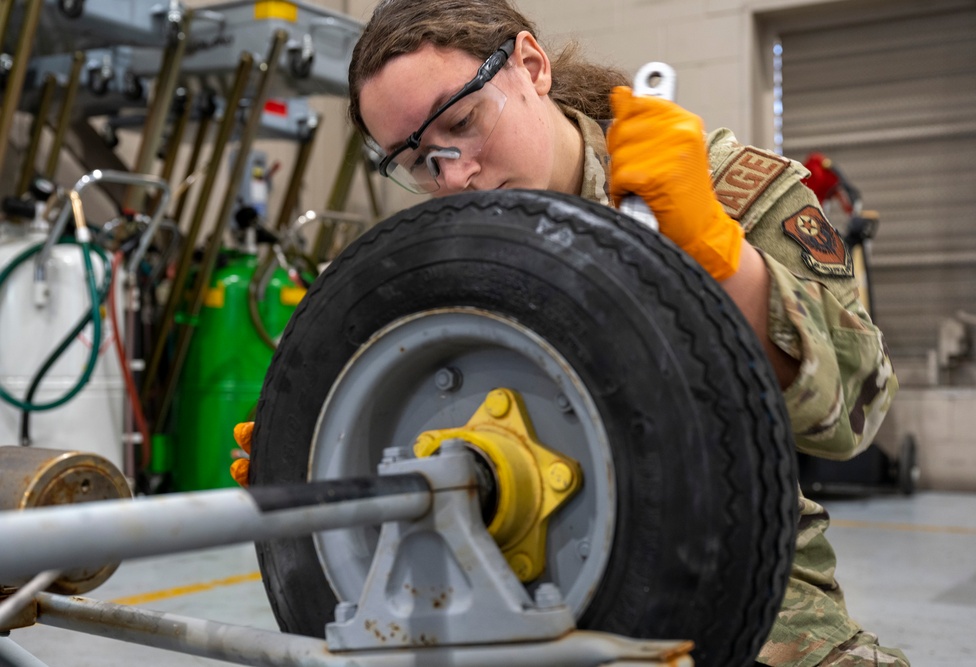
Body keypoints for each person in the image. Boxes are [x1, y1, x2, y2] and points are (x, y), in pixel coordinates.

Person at [238, 0, 908, 664]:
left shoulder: (720, 189)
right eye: (414, 160)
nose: (452, 176)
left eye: (462, 123)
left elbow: (855, 412)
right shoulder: (430, 261)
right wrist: (320, 465)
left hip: (733, 582)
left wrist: (720, 259)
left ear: (531, 66)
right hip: (496, 597)